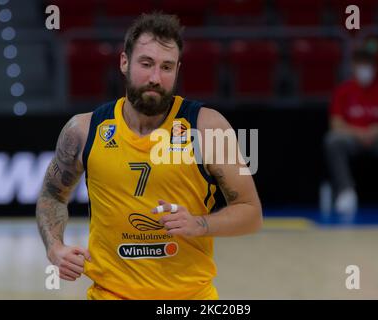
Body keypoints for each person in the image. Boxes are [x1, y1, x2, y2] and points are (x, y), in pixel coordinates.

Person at [35, 12, 262, 300]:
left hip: (189, 298)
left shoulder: (207, 126)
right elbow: (51, 196)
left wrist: (200, 224)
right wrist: (55, 247)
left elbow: (251, 213)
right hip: (109, 294)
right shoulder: (84, 129)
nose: (156, 77)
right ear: (124, 62)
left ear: (178, 69)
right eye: (146, 64)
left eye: (167, 67)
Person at [324, 48, 378, 215]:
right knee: (333, 140)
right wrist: (358, 132)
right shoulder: (343, 91)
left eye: (369, 65)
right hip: (352, 139)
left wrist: (376, 130)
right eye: (361, 65)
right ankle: (346, 192)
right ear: (354, 66)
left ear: (375, 67)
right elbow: (336, 124)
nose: (365, 69)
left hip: (377, 139)